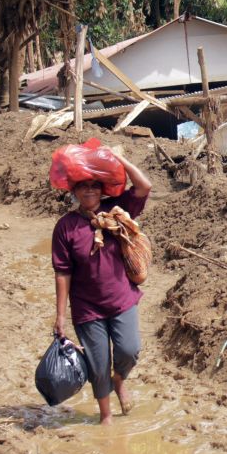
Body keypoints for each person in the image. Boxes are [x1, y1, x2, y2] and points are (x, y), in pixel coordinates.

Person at [51, 156, 152, 425]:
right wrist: (60, 316)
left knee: (129, 350)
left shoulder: (116, 212)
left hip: (121, 300)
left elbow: (144, 186)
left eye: (95, 185)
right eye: (83, 186)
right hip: (87, 307)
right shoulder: (65, 227)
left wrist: (118, 159)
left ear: (103, 189)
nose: (89, 191)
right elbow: (63, 272)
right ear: (73, 191)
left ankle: (119, 380)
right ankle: (106, 417)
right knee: (97, 364)